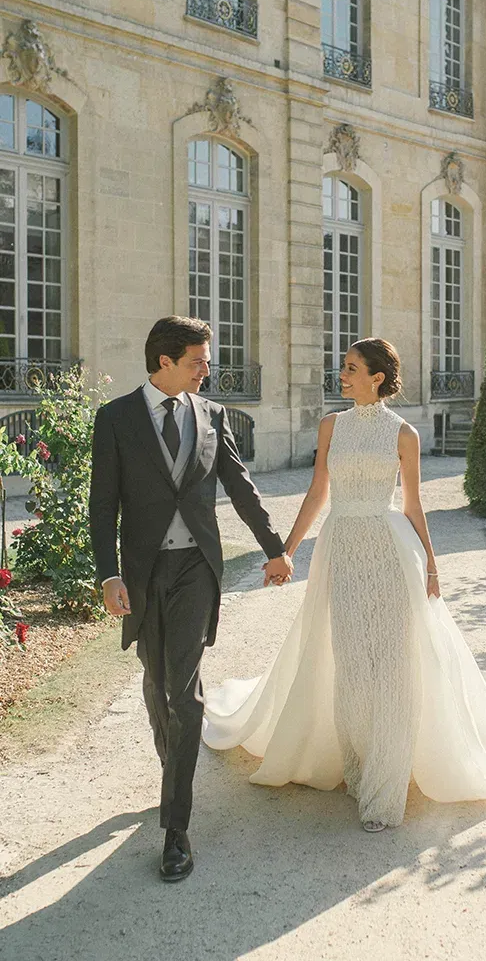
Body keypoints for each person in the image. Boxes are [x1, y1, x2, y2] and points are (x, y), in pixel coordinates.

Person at [203, 338, 486, 831]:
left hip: (391, 551)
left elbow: (413, 505)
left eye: (352, 368)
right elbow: (318, 493)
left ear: (377, 378)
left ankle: (385, 789)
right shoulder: (331, 426)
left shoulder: (404, 433)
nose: (342, 374)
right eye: (344, 367)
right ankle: (358, 767)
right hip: (342, 549)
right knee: (353, 665)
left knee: (393, 666)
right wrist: (285, 551)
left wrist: (432, 565)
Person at [89, 316, 293, 881]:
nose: (207, 369)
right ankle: (173, 769)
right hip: (145, 572)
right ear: (166, 362)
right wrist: (109, 576)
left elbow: (240, 485)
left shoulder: (212, 415)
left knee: (183, 690)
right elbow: (103, 504)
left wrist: (274, 548)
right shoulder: (116, 419)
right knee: (157, 681)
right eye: (198, 361)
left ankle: (175, 827)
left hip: (197, 569)